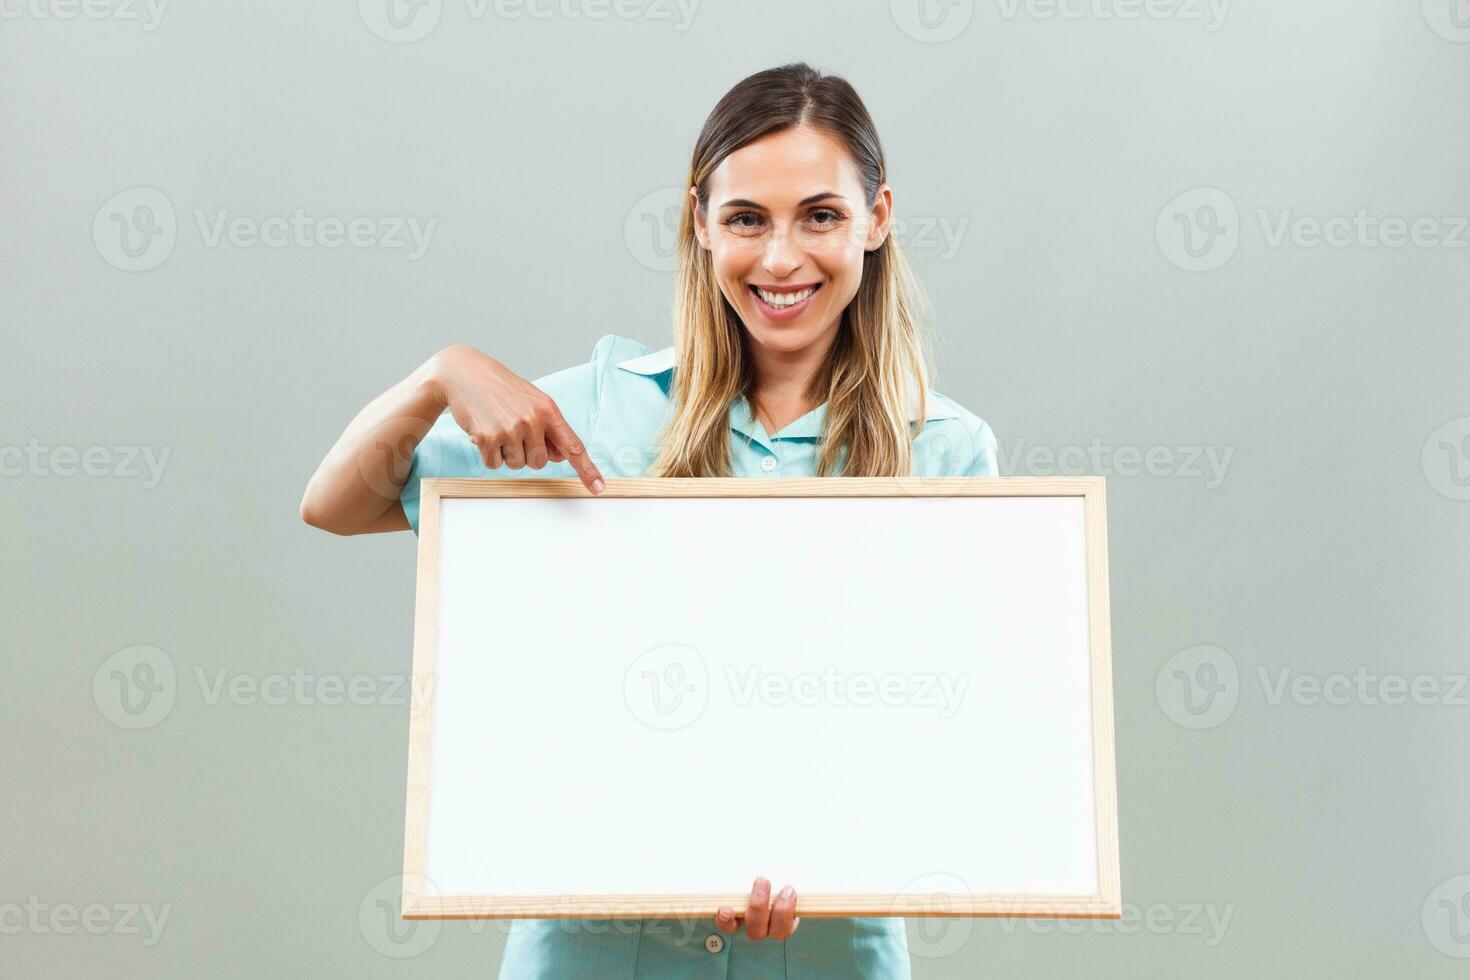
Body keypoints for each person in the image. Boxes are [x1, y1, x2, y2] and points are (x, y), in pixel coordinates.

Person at [301, 61, 997, 979]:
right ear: (700, 226)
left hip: (828, 952)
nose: (781, 258)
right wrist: (442, 372)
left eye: (820, 215)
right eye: (746, 218)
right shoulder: (594, 411)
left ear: (877, 218)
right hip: (592, 952)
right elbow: (336, 503)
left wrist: (836, 850)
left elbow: (955, 725)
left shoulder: (944, 451)